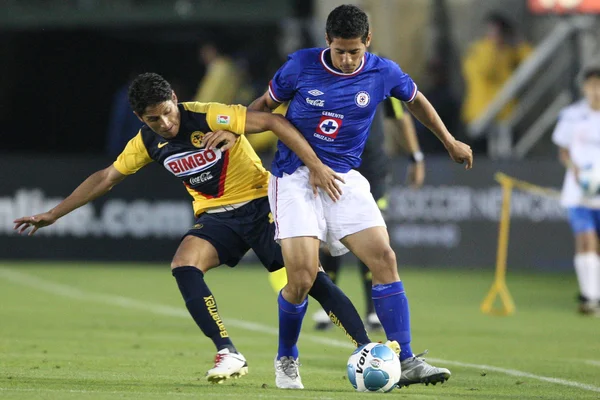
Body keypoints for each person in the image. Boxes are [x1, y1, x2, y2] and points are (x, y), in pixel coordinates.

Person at [13, 72, 377, 384]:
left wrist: (309, 163)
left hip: (262, 204)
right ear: (140, 118)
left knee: (309, 278)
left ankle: (367, 347)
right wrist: (54, 213)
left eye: (168, 113)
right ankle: (228, 352)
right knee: (184, 265)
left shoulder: (209, 115)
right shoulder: (146, 143)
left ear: (175, 99)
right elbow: (106, 177)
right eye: (154, 120)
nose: (166, 124)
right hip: (217, 217)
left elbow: (274, 122)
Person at [249, 4, 472, 390]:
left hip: (345, 179)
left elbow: (415, 100)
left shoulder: (382, 70)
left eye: (355, 50)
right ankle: (287, 356)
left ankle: (405, 358)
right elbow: (263, 109)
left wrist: (449, 140)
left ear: (368, 41)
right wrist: (233, 130)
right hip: (294, 177)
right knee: (302, 278)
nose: (349, 59)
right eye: (341, 51)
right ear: (327, 42)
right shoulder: (300, 66)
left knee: (384, 257)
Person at [310, 97, 425, 331]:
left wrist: (416, 156)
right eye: (344, 55)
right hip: (336, 165)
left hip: (373, 168)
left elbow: (401, 117)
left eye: (355, 55)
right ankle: (328, 304)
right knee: (332, 234)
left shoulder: (381, 75)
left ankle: (373, 310)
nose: (348, 58)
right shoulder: (328, 76)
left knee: (372, 234)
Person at [552, 65, 600, 316]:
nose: (596, 90)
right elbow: (563, 151)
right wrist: (577, 170)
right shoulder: (572, 115)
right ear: (584, 87)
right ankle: (589, 297)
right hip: (579, 190)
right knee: (585, 239)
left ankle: (595, 293)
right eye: (592, 84)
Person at [461, 12, 532, 125]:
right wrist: (492, 46)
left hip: (505, 112)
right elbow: (486, 71)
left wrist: (519, 42)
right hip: (480, 113)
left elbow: (532, 61)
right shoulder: (476, 50)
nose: (497, 35)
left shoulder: (509, 51)